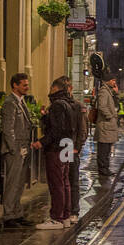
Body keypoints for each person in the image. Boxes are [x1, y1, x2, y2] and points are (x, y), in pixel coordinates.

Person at [33, 76, 76, 229]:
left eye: (51, 88)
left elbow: (56, 130)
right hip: (67, 145)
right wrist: (46, 117)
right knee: (65, 182)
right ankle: (65, 215)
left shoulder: (57, 105)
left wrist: (41, 142)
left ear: (55, 89)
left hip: (57, 147)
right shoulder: (69, 104)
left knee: (56, 182)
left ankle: (56, 217)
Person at [0, 73, 33, 227]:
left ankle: (17, 213)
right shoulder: (10, 103)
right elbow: (8, 129)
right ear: (15, 85)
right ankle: (8, 215)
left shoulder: (21, 101)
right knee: (12, 182)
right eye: (24, 85)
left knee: (20, 183)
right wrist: (13, 149)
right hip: (16, 149)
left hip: (24, 147)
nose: (27, 87)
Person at [91, 53, 119, 177]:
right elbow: (102, 106)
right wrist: (110, 116)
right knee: (103, 150)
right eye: (113, 80)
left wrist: (116, 93)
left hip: (108, 127)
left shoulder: (109, 92)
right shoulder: (104, 91)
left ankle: (105, 168)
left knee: (106, 150)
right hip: (105, 126)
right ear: (109, 81)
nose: (115, 82)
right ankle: (103, 169)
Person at [67, 78, 87, 223]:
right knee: (62, 181)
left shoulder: (78, 106)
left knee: (73, 180)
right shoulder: (58, 105)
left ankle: (74, 211)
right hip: (61, 147)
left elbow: (83, 130)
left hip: (71, 147)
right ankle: (64, 211)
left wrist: (77, 148)